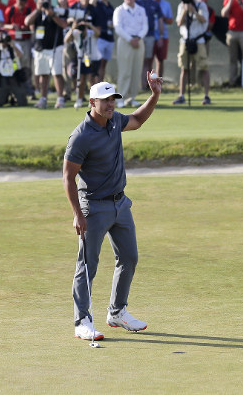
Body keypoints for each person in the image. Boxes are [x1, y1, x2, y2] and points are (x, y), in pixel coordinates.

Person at [63, 75, 162, 342]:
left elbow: (138, 120)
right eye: (105, 100)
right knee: (87, 265)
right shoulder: (81, 136)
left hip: (120, 204)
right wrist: (77, 213)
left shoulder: (115, 121)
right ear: (92, 102)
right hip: (93, 207)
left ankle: (117, 312)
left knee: (129, 258)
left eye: (113, 100)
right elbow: (68, 177)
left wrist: (154, 95)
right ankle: (82, 321)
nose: (110, 104)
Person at [26, 0, 68, 110]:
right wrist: (38, 10)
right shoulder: (37, 13)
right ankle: (43, 98)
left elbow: (64, 24)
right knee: (43, 75)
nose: (44, 3)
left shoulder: (56, 11)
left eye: (46, 1)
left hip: (55, 48)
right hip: (40, 48)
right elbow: (27, 22)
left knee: (56, 74)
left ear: (50, 2)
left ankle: (60, 98)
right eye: (41, 0)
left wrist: (52, 15)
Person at [173, 0, 211, 105]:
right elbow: (179, 22)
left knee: (203, 67)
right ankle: (182, 95)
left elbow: (204, 20)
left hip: (198, 40)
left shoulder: (201, 5)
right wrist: (185, 10)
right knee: (184, 68)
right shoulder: (181, 6)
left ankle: (206, 95)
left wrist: (193, 11)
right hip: (185, 40)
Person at [112, 0, 148, 108]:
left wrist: (138, 38)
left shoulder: (141, 10)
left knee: (136, 71)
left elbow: (145, 26)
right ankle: (120, 98)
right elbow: (118, 27)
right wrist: (130, 39)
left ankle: (132, 98)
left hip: (138, 41)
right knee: (124, 71)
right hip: (125, 41)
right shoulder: (119, 10)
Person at [0, 30, 28, 107]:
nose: (4, 42)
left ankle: (14, 97)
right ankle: (6, 97)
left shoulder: (14, 46)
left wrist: (12, 44)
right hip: (2, 79)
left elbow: (20, 55)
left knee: (22, 103)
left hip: (15, 77)